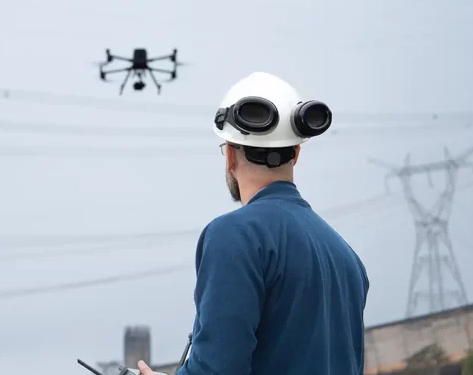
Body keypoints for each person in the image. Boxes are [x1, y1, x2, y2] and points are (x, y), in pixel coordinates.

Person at [137, 72, 369, 375]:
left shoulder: (234, 236)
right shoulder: (347, 257)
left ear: (230, 155)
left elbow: (219, 370)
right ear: (296, 153)